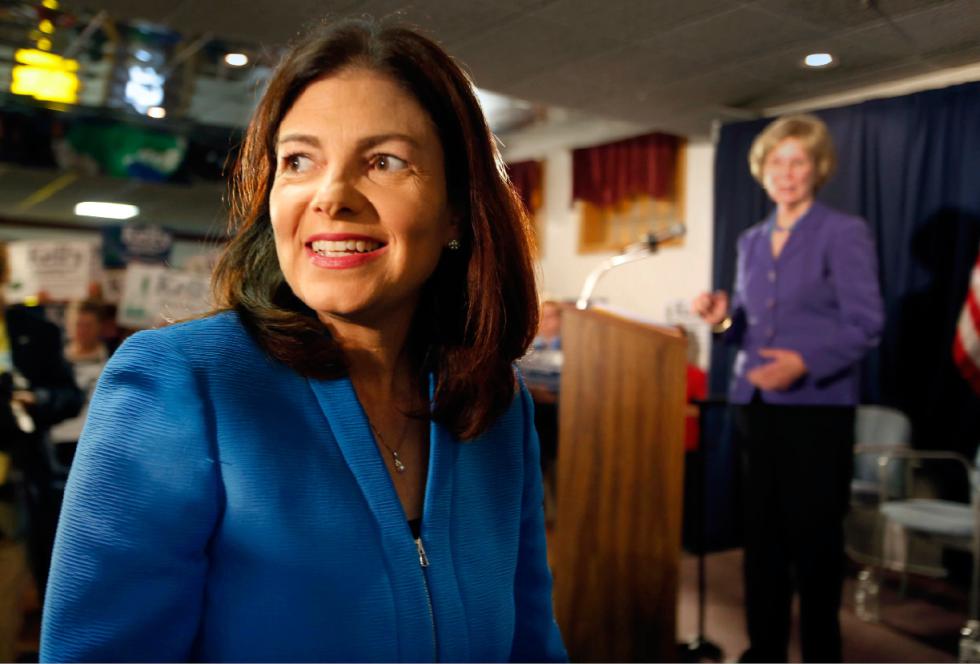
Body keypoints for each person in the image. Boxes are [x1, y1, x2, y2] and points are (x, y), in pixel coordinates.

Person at [41, 18, 566, 663]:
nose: (332, 196)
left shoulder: (494, 406)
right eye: (299, 161)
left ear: (457, 205)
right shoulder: (179, 385)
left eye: (384, 162)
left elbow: (532, 648)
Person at [693, 114, 884, 662]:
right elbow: (749, 328)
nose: (787, 172)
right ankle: (765, 649)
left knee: (815, 547)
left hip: (817, 411)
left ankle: (823, 654)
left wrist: (804, 362)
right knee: (763, 544)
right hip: (757, 409)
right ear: (762, 170)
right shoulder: (751, 241)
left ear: (817, 168)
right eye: (777, 161)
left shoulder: (842, 232)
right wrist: (725, 320)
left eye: (798, 161)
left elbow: (866, 323)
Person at [0, 242, 82, 597]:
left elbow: (69, 397)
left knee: (11, 592)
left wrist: (36, 398)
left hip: (17, 482)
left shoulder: (36, 330)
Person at [49, 300, 110, 467]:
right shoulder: (52, 361)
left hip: (99, 441)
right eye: (77, 324)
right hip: (61, 440)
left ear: (100, 326)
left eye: (88, 325)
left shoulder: (115, 357)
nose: (82, 331)